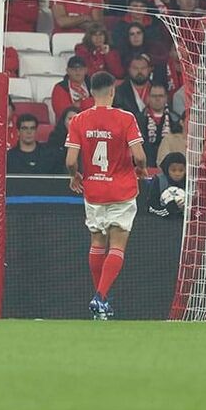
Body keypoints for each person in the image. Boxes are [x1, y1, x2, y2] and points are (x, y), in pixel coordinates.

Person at [64, 71, 147, 320]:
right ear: (112, 91)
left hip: (94, 190)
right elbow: (140, 156)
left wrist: (74, 175)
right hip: (121, 189)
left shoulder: (78, 120)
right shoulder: (125, 118)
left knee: (97, 243)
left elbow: (70, 161)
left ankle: (101, 300)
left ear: (90, 92)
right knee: (117, 245)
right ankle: (100, 296)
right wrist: (141, 169)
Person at [145, 152, 186, 219]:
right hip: (160, 223)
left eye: (181, 170)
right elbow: (151, 208)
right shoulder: (158, 181)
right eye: (173, 170)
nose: (177, 173)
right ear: (166, 169)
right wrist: (168, 209)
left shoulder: (189, 183)